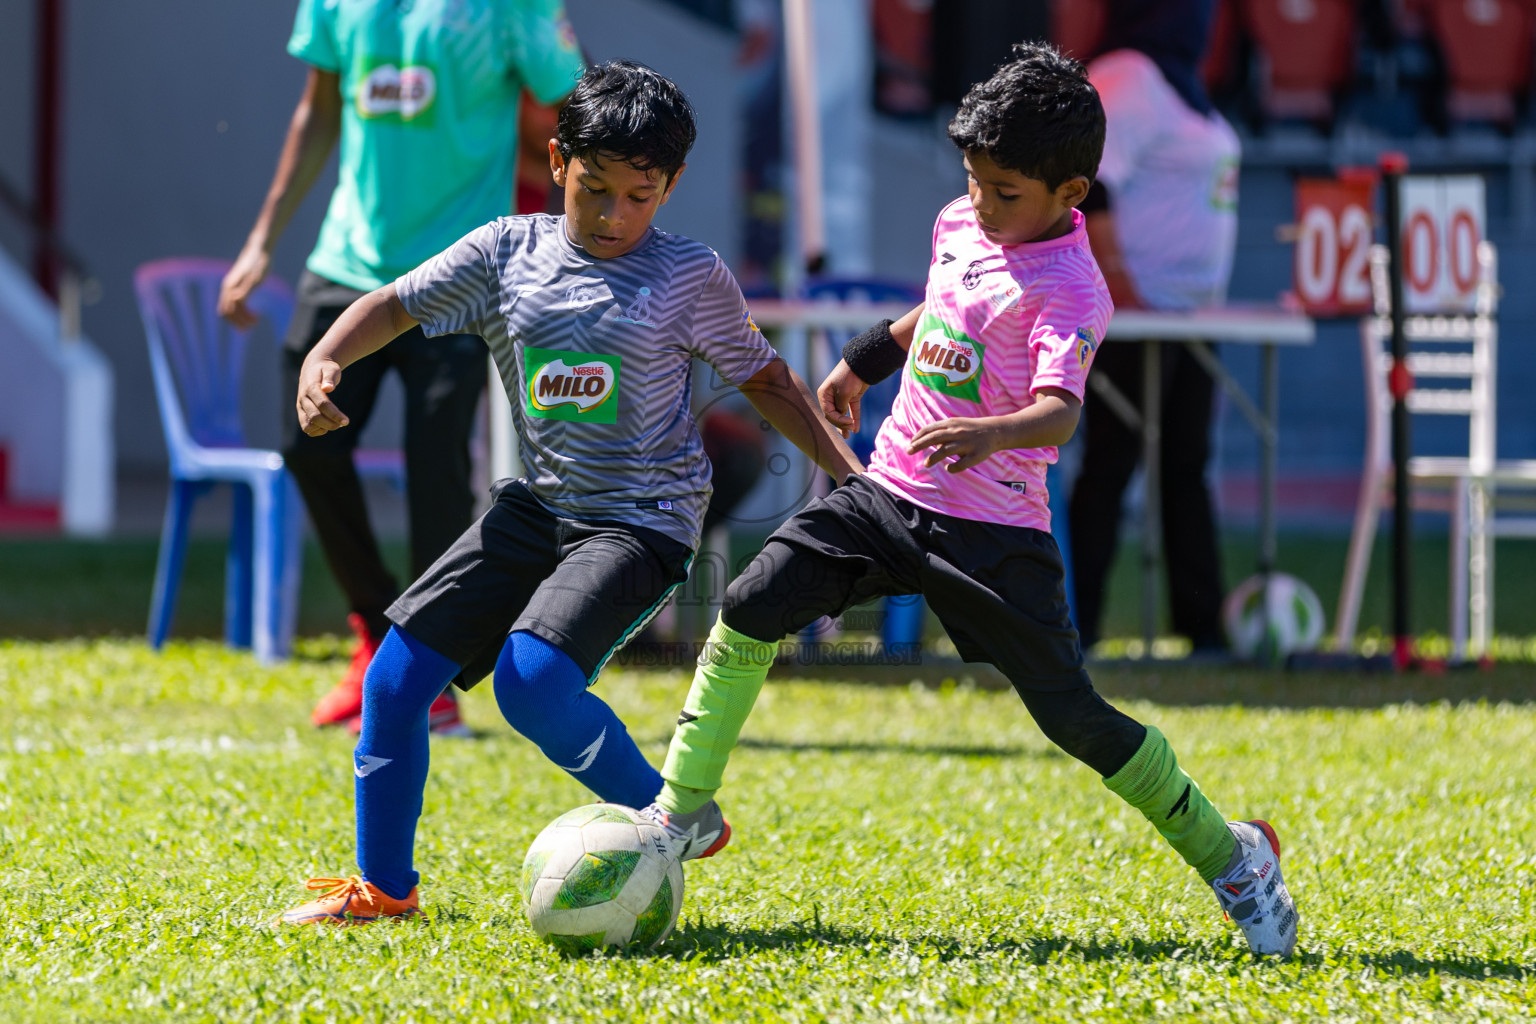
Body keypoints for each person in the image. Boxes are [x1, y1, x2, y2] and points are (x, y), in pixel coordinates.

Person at [641, 42, 1298, 957]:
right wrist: (858, 363)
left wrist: (991, 433)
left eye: (1006, 193)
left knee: (1074, 717)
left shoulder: (1074, 288)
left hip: (990, 532)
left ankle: (1233, 855)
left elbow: (1061, 412)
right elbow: (938, 305)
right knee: (752, 602)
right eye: (974, 181)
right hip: (887, 493)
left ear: (1070, 194)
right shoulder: (965, 220)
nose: (982, 205)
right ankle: (680, 813)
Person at [276, 61, 864, 925]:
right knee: (394, 681)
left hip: (643, 523)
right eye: (595, 188)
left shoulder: (690, 276)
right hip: (537, 506)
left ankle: (681, 815)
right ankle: (383, 888)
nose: (615, 215)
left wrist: (849, 478)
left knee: (533, 682)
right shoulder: (502, 253)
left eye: (641, 195)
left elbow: (769, 382)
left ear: (671, 187)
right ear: (557, 162)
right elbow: (394, 306)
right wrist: (328, 354)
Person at [218, 0, 587, 734]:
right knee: (308, 448)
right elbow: (316, 112)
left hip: (458, 269)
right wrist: (263, 239)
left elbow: (577, 117)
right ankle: (376, 632)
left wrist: (561, 250)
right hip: (344, 263)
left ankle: (428, 672)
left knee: (436, 467)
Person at [1067, 0, 1240, 653]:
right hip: (1134, 320)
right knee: (1112, 464)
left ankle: (1203, 628)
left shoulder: (1185, 87)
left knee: (1187, 465)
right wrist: (1120, 286)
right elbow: (1091, 185)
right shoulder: (1128, 76)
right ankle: (1076, 625)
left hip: (1190, 318)